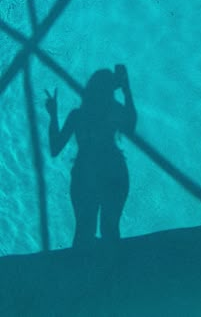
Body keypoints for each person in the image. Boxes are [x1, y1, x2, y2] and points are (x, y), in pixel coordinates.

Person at [45, 65, 137, 246]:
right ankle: (112, 271)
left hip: (85, 173)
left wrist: (53, 114)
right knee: (110, 231)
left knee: (83, 232)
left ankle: (83, 271)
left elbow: (55, 148)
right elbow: (131, 126)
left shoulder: (78, 116)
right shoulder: (114, 111)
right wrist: (126, 90)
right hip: (113, 171)